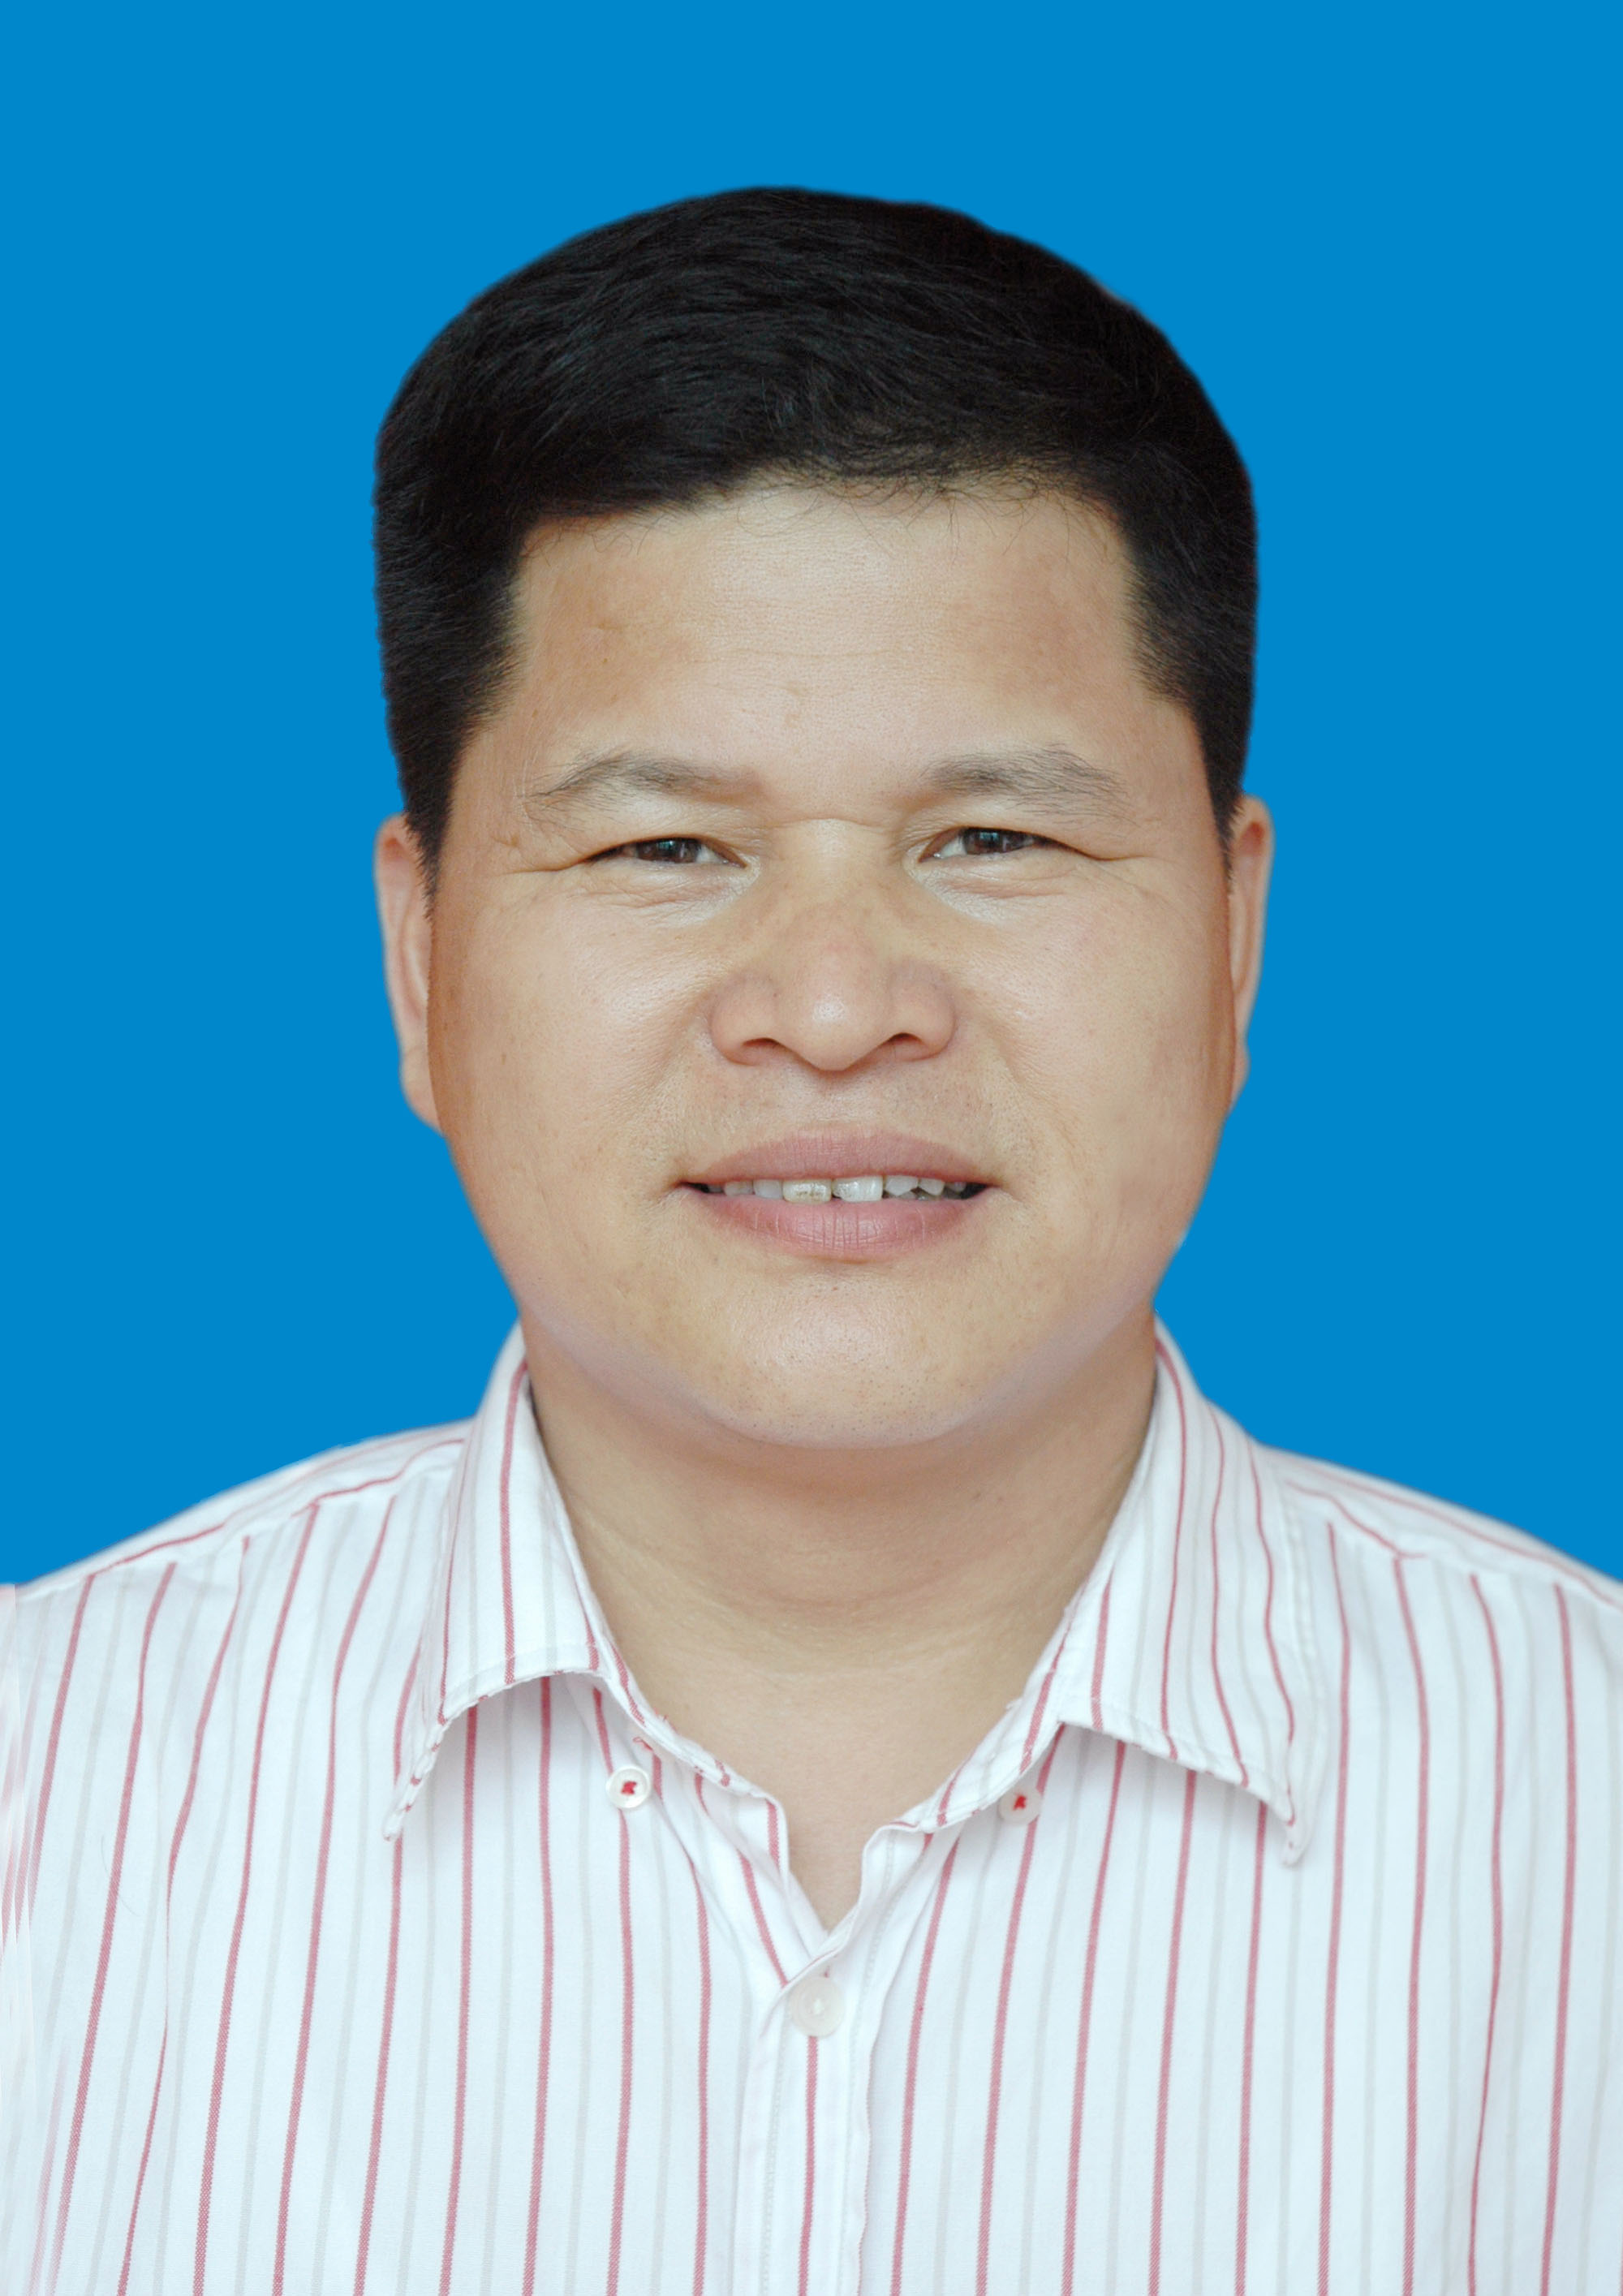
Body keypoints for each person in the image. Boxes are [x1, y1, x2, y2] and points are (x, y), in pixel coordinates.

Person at [2, 189, 1617, 2296]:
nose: (839, 1007)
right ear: (419, 954)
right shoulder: (44, 1796)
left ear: (1235, 936)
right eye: (667, 845)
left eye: (994, 838)